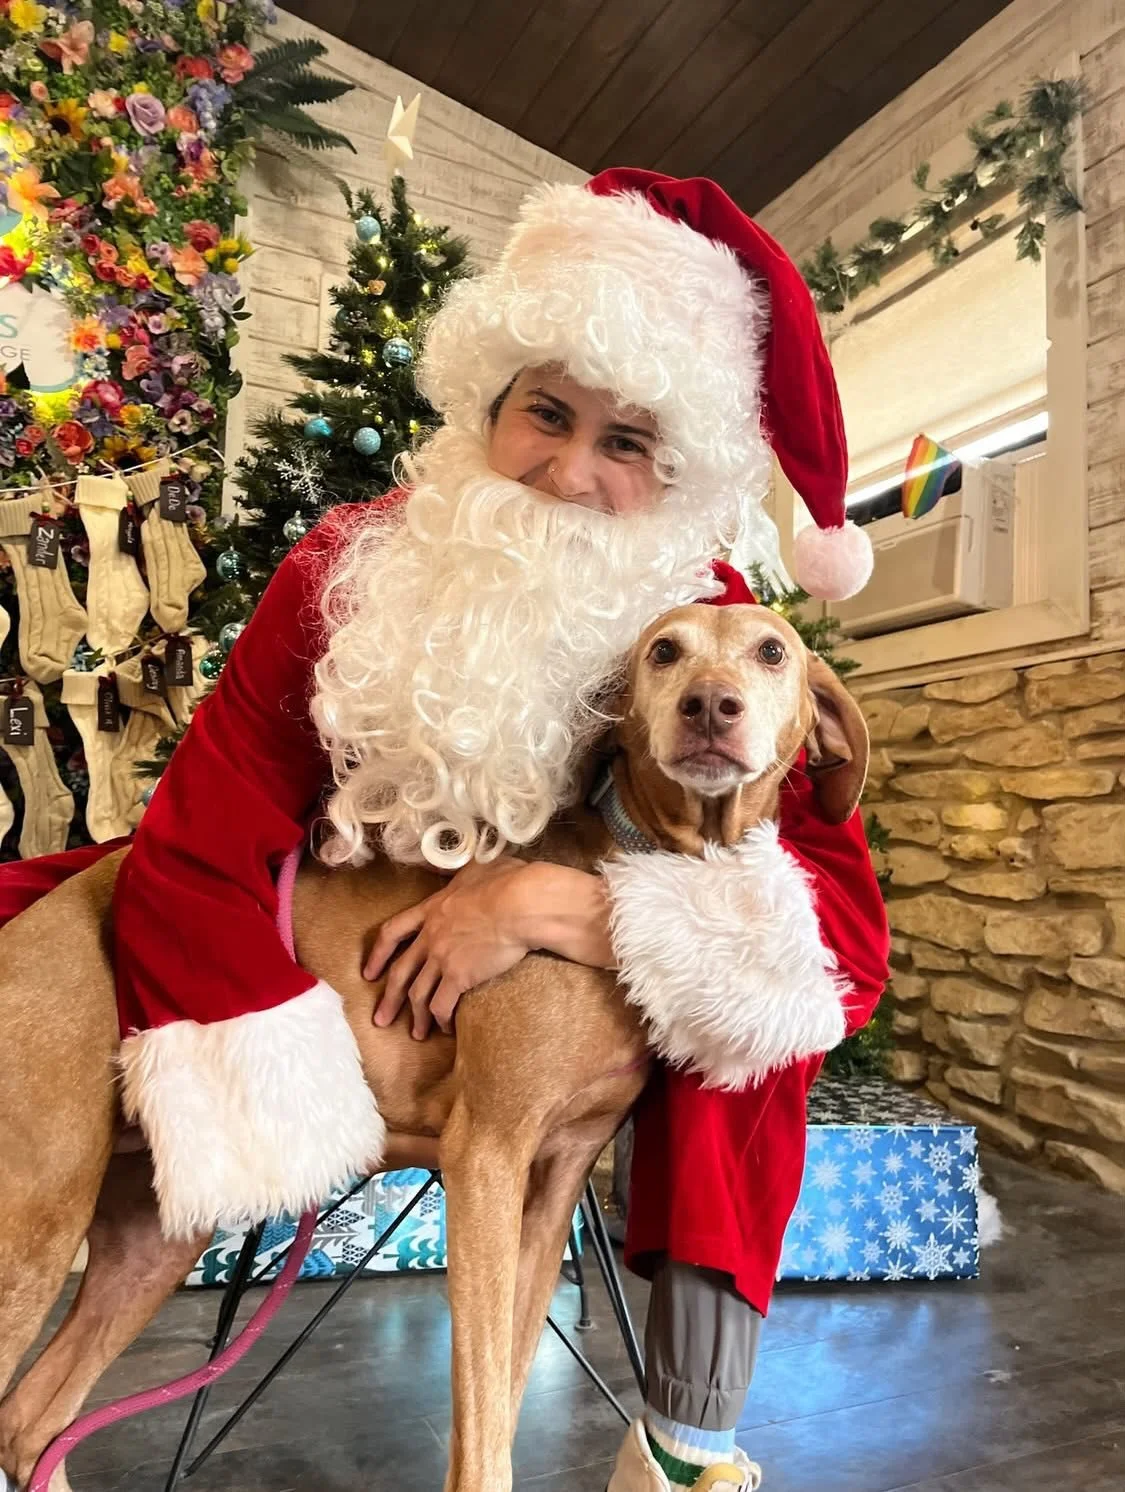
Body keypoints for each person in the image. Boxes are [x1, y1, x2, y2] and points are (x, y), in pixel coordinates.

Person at [0, 170, 888, 1491]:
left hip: (529, 992)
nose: (575, 471)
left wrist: (532, 906)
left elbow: (831, 940)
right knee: (33, 1238)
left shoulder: (707, 629)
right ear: (488, 407)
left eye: (627, 442)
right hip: (217, 954)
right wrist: (255, 1065)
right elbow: (208, 818)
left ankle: (688, 1430)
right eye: (546, 414)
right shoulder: (351, 568)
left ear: (676, 468)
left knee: (756, 1025)